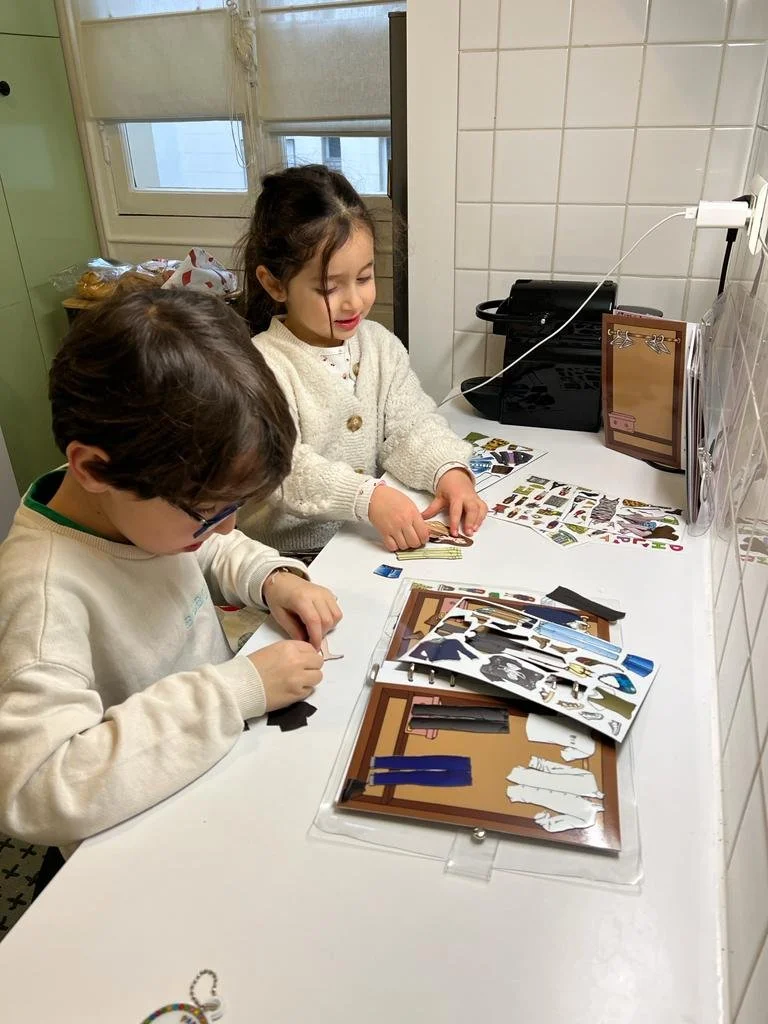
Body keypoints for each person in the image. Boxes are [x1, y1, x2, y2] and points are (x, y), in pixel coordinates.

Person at [0, 289, 341, 847]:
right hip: (141, 833)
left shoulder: (135, 509)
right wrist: (236, 691)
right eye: (210, 511)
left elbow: (198, 545)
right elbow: (35, 790)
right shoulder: (41, 594)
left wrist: (270, 578)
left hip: (214, 770)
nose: (228, 527)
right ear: (93, 467)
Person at [237, 164, 488, 558]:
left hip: (357, 543)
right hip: (285, 557)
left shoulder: (380, 346)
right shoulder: (262, 365)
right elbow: (282, 470)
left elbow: (410, 424)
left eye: (365, 278)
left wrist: (449, 470)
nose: (353, 301)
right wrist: (368, 498)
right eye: (328, 287)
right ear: (274, 284)